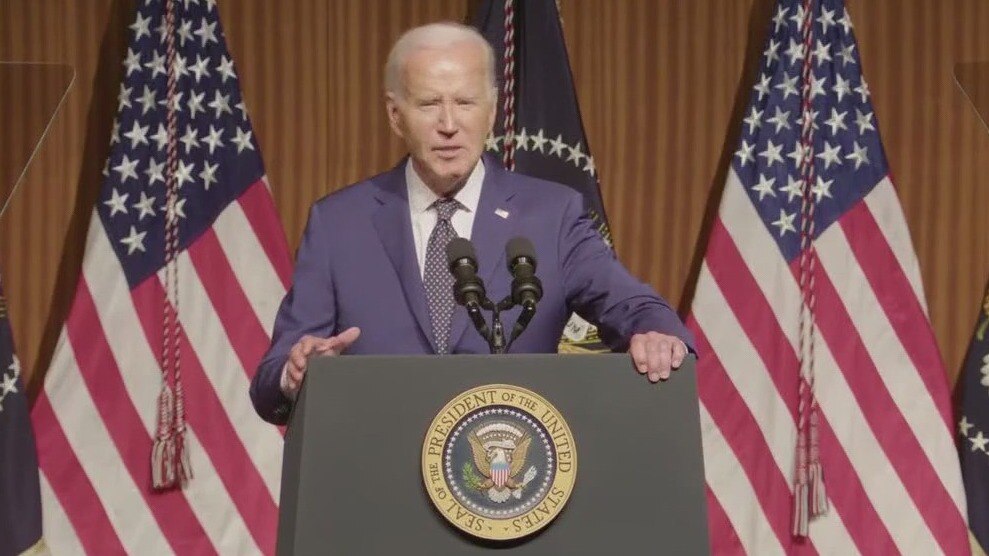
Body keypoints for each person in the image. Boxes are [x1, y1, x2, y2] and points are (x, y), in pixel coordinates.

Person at [250, 22, 695, 425]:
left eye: (465, 102)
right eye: (429, 104)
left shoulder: (552, 215)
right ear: (395, 114)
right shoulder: (339, 223)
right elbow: (271, 381)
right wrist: (295, 372)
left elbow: (633, 305)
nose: (449, 124)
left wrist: (656, 334)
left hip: (508, 469)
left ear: (492, 110)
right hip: (379, 468)